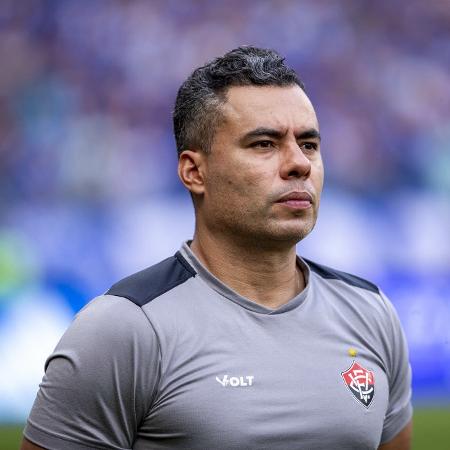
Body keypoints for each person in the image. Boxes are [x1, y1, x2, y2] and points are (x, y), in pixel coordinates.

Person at [22, 46, 412, 450]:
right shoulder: (124, 329)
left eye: (309, 144)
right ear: (194, 172)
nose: (299, 163)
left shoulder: (371, 313)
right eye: (264, 144)